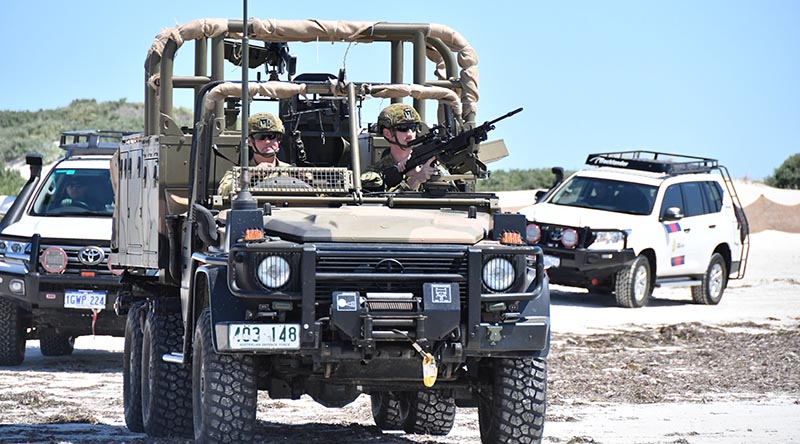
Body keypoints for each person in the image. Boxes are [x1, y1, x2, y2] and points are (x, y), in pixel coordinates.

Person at [361, 103, 438, 192]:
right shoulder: (374, 175)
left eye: (413, 128)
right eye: (403, 128)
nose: (410, 134)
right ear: (387, 133)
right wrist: (415, 180)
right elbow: (379, 203)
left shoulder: (429, 164)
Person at [218, 112, 291, 195]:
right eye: (260, 137)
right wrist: (249, 174)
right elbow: (223, 192)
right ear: (249, 141)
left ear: (279, 140)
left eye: (272, 136)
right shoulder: (238, 173)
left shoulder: (291, 172)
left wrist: (308, 180)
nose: (267, 141)